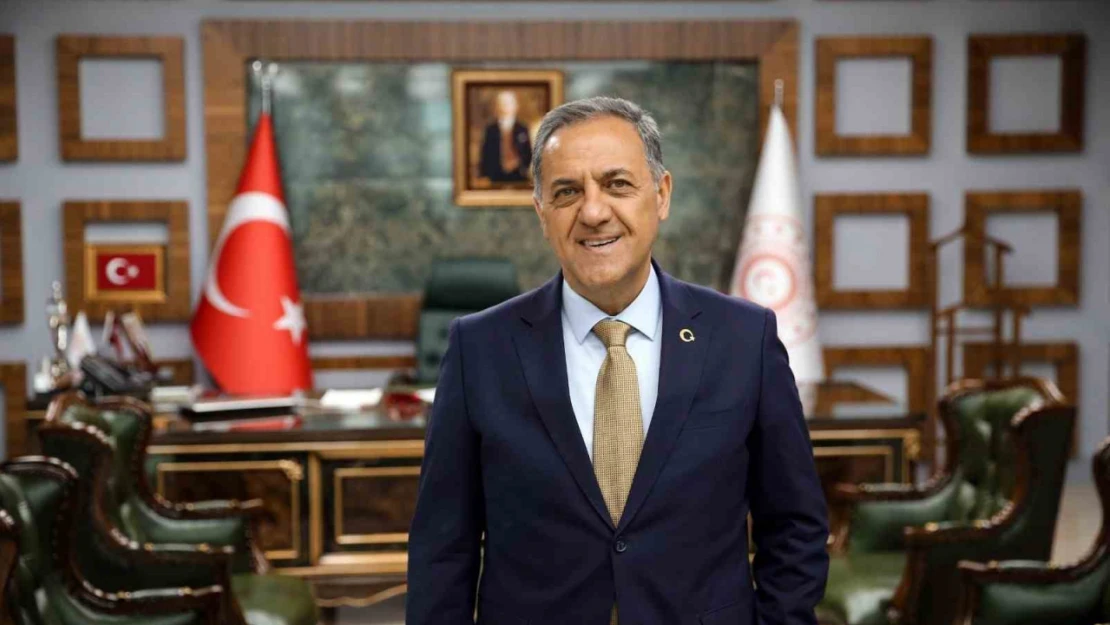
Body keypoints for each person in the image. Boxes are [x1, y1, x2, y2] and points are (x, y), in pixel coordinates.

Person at [407, 96, 829, 625]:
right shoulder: (480, 348)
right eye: (567, 192)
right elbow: (442, 548)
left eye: (617, 184)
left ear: (662, 194)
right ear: (541, 213)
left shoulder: (744, 339)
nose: (593, 211)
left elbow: (794, 526)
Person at [477, 90, 532, 183]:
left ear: (516, 106)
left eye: (509, 103)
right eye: (502, 104)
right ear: (497, 107)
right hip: (495, 175)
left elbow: (528, 152)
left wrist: (523, 167)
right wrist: (484, 175)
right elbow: (485, 153)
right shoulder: (491, 129)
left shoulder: (522, 128)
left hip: (518, 174)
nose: (505, 107)